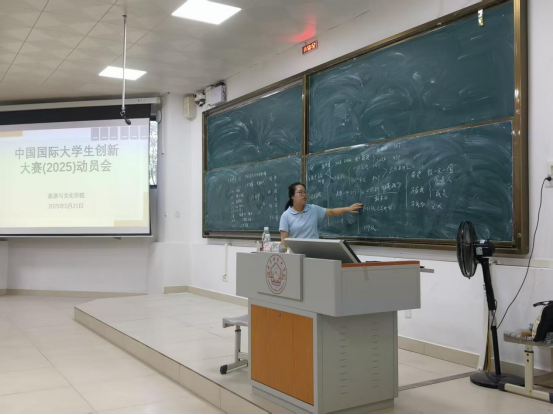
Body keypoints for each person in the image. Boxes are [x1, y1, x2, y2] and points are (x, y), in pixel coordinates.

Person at [280, 182, 363, 246]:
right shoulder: (286, 216)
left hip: (315, 251)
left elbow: (331, 211)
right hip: (297, 254)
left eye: (305, 192)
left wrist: (348, 209)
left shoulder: (313, 209)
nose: (304, 195)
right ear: (292, 196)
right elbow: (284, 241)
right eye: (300, 192)